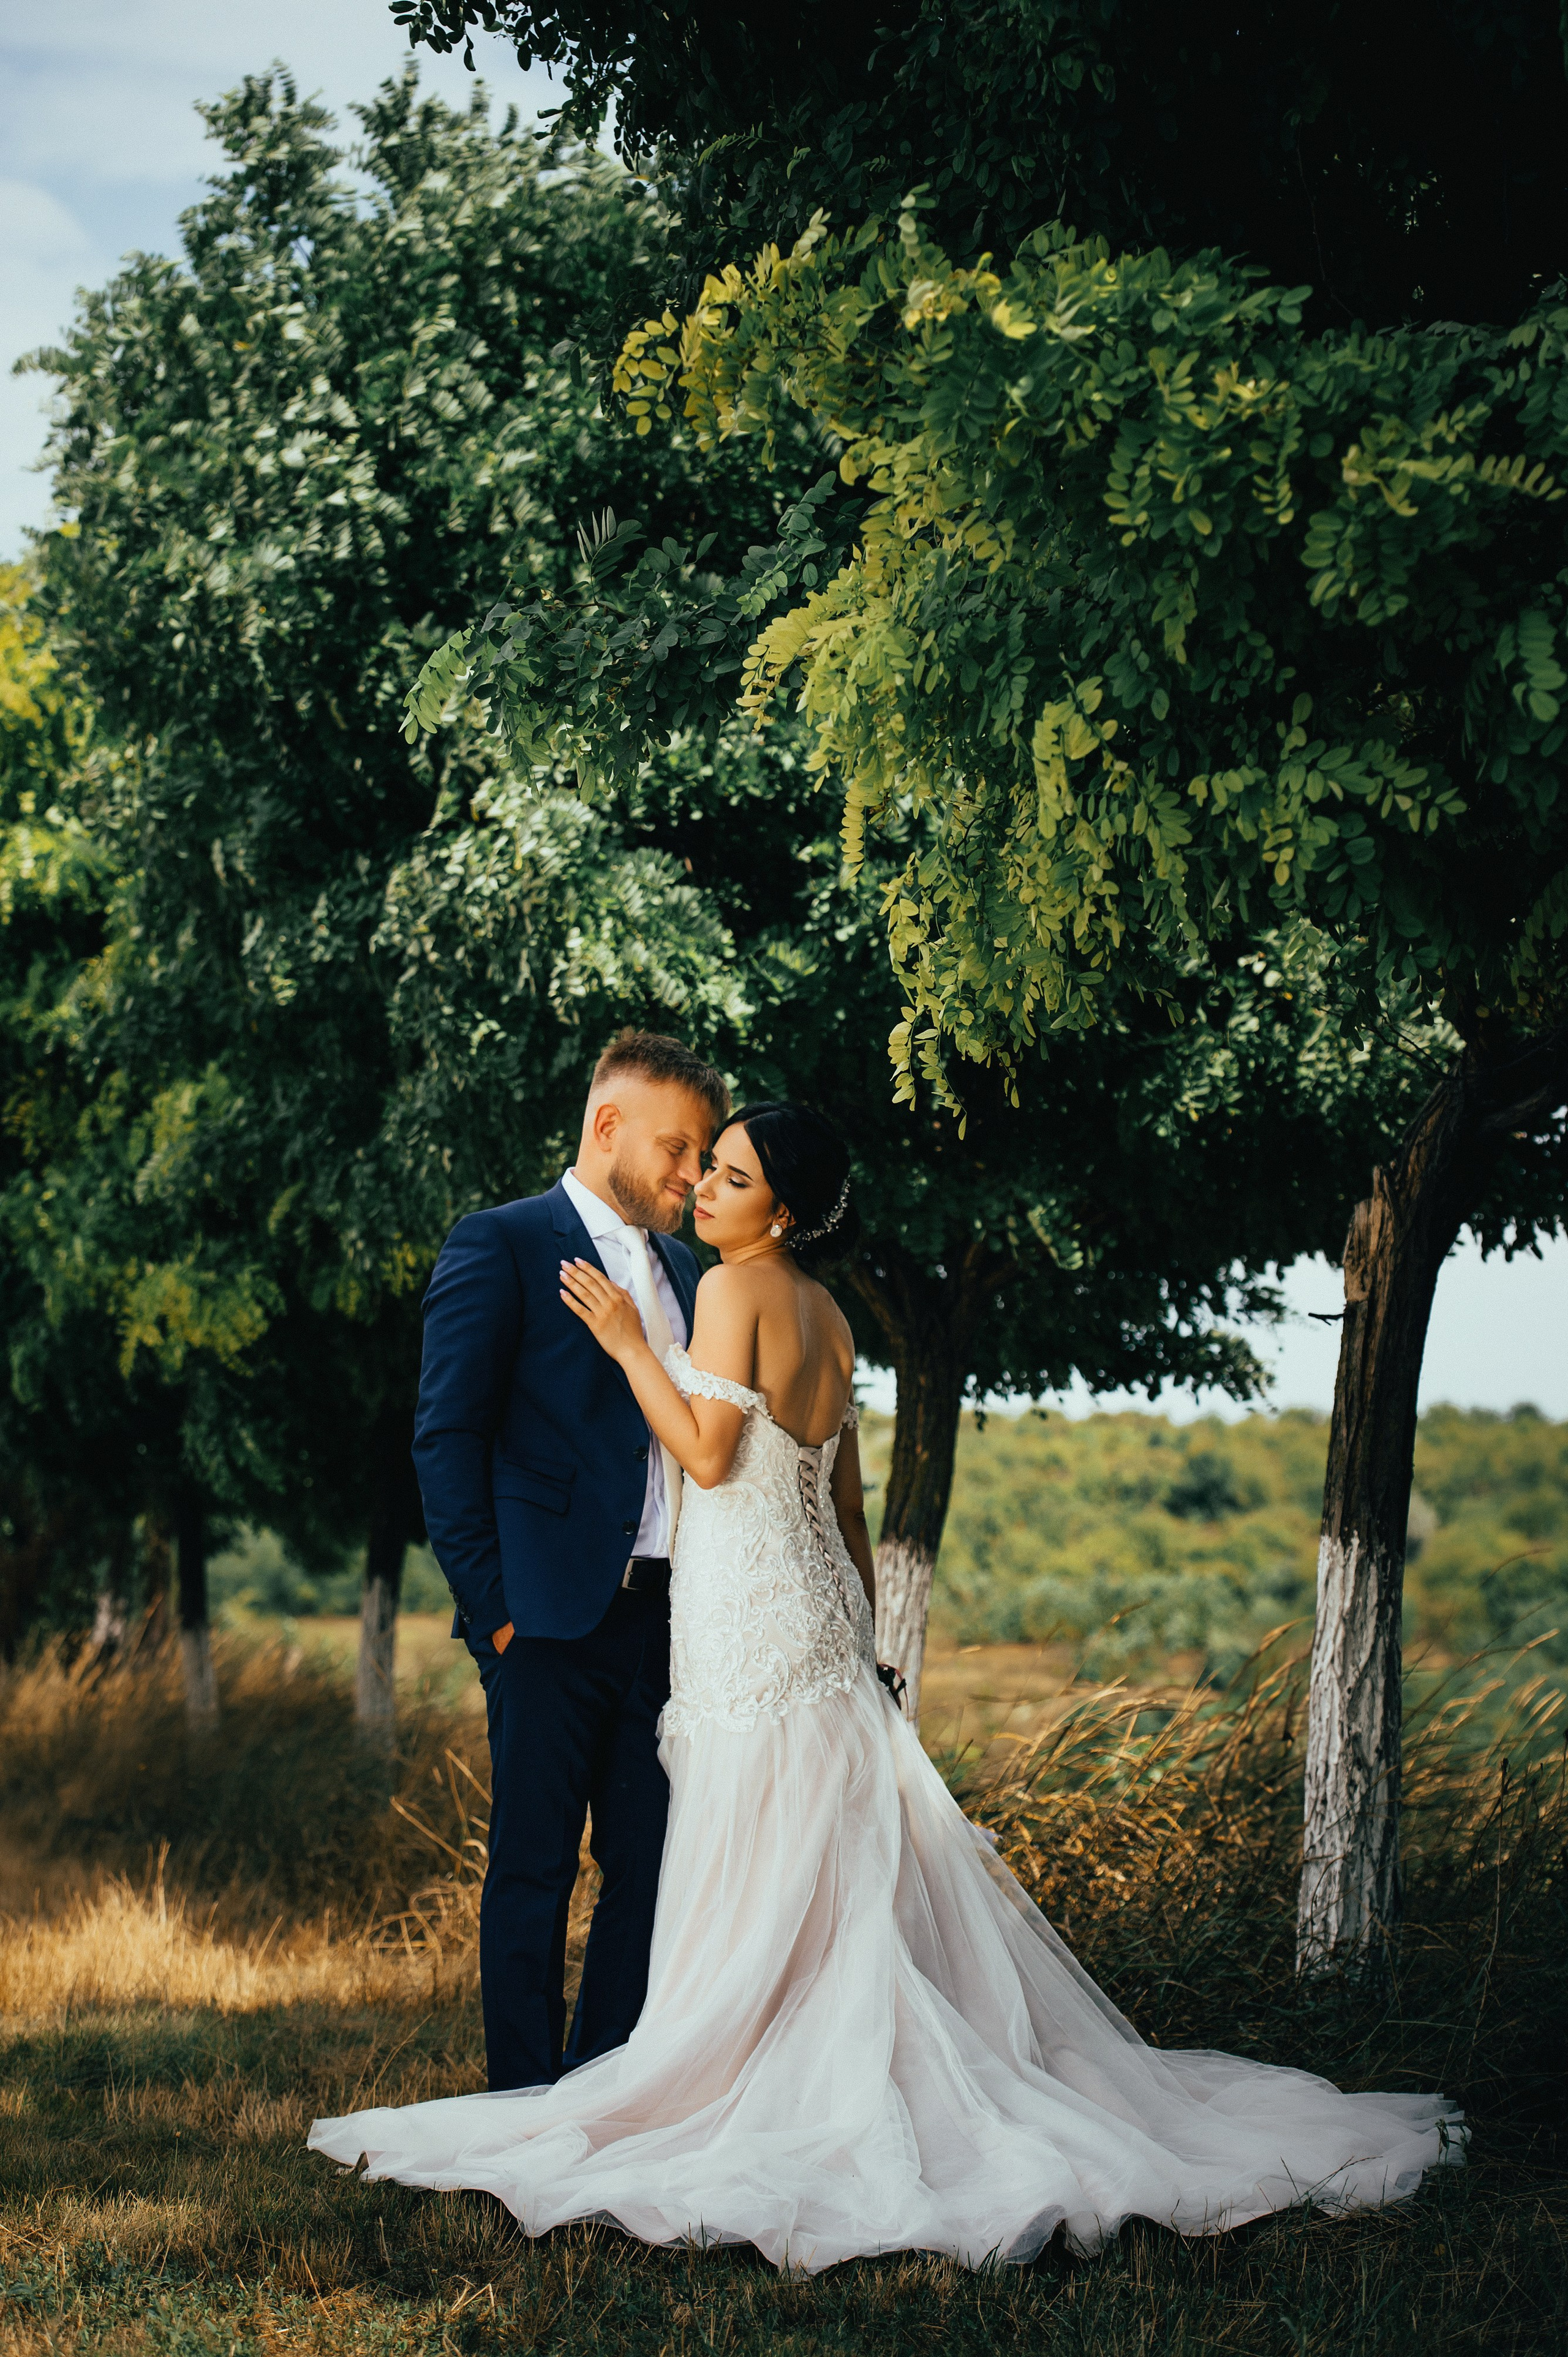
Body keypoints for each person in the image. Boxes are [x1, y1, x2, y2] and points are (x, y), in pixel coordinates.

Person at [312, 1099, 1461, 2271]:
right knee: (820, 1869)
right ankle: (773, 2063)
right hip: (815, 1619)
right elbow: (845, 1505)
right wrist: (861, 1641)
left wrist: (623, 1344)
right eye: (706, 1167)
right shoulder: (833, 1317)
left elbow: (708, 1457)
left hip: (751, 1632)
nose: (706, 1186)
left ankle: (742, 2089)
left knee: (754, 1859)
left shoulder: (728, 1291)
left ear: (784, 1211)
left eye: (735, 1177)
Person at [407, 1028, 728, 2093]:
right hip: (540, 1623)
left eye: (703, 1156)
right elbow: (446, 1438)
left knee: (649, 1871)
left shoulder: (691, 1270)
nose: (692, 1175)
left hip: (668, 1622)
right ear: (608, 1126)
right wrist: (494, 1615)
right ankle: (520, 2107)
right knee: (533, 1873)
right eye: (679, 1151)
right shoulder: (501, 1243)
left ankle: (600, 2095)